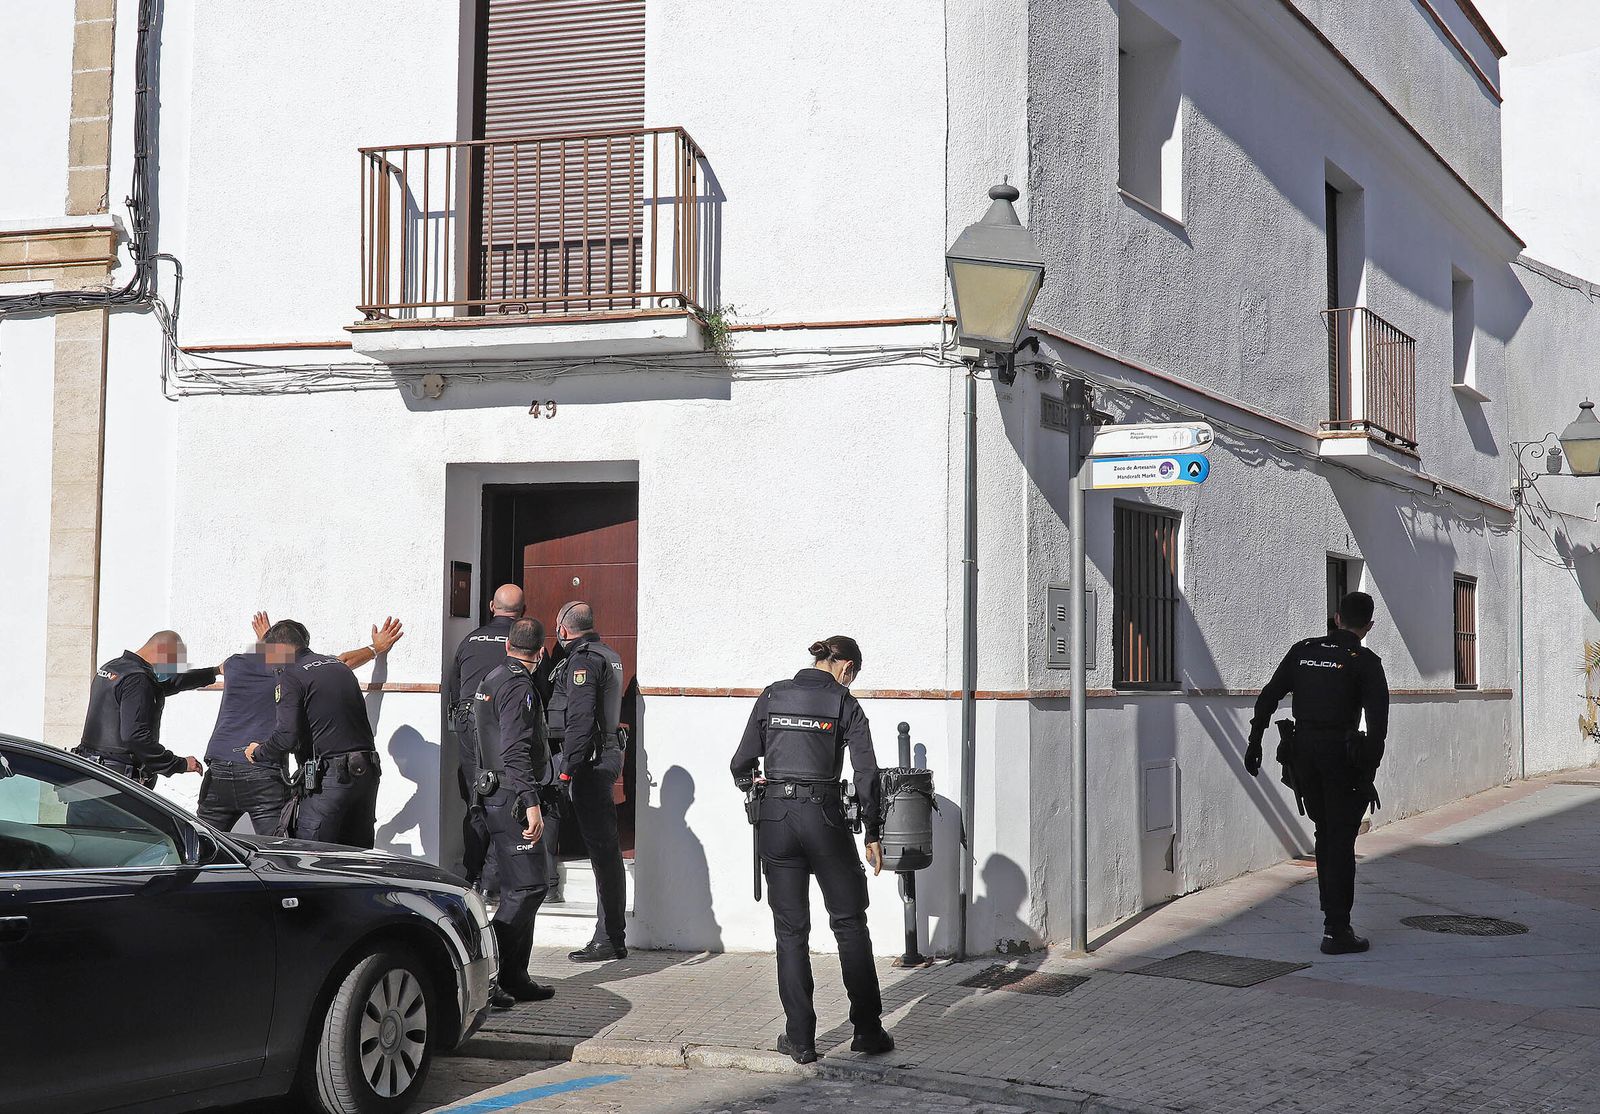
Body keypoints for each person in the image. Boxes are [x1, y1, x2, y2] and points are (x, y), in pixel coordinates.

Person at [730, 635, 894, 1065]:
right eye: (853, 673)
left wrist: (755, 787)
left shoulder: (772, 695)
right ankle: (867, 1031)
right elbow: (866, 773)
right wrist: (872, 830)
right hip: (824, 819)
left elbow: (740, 764)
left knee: (790, 931)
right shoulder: (845, 703)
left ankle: (800, 1039)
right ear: (847, 668)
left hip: (776, 822)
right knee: (849, 923)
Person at [1248, 590, 1389, 955]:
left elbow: (1268, 696)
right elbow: (1377, 728)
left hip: (1304, 756)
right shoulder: (1366, 661)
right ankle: (1337, 928)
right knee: (1340, 840)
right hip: (1340, 757)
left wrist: (1254, 742)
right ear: (1368, 626)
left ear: (1337, 618)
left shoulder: (1303, 650)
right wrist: (1366, 774)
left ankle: (1332, 921)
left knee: (1325, 834)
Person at [198, 611, 403, 835]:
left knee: (203, 843)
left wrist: (259, 752)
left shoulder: (245, 665)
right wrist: (375, 649)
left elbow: (287, 736)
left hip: (223, 765)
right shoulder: (324, 667)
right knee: (282, 852)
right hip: (359, 770)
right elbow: (343, 660)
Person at [469, 617, 557, 1007]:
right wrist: (532, 802)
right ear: (539, 652)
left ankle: (514, 976)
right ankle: (493, 977)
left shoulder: (491, 677)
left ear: (507, 646)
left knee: (521, 888)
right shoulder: (517, 685)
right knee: (527, 888)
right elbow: (515, 750)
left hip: (495, 792)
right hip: (512, 797)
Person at [244, 620, 381, 848]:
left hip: (329, 780)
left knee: (311, 855)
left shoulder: (291, 674)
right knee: (357, 857)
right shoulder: (337, 666)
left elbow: (287, 736)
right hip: (366, 774)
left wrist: (258, 752)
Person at [547, 601, 628, 962]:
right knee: (606, 852)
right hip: (604, 754)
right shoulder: (608, 653)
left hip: (589, 762)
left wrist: (567, 768)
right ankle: (612, 936)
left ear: (563, 630)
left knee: (602, 854)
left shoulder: (582, 660)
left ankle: (609, 938)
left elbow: (580, 720)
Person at [71, 631, 212, 822]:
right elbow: (135, 736)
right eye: (175, 661)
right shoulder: (138, 680)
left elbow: (167, 685)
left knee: (81, 846)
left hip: (88, 779)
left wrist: (214, 672)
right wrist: (177, 764)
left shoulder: (113, 668)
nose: (175, 668)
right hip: (117, 789)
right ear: (163, 651)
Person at [446, 584, 525, 896]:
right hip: (502, 722)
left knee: (477, 801)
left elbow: (453, 685)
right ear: (523, 610)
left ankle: (473, 875)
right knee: (502, 799)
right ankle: (493, 879)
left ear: (492, 605)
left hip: (468, 722)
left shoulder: (470, 639)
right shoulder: (522, 642)